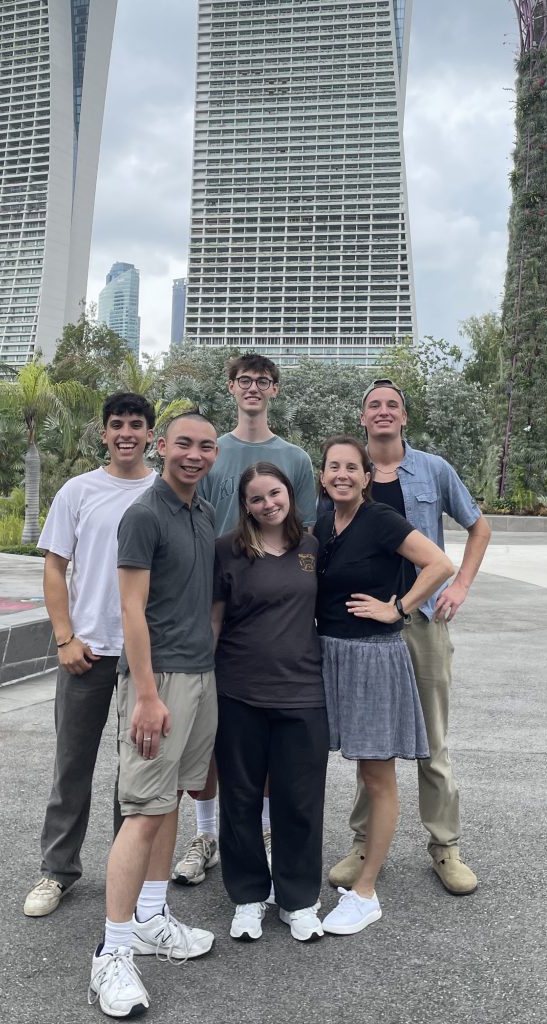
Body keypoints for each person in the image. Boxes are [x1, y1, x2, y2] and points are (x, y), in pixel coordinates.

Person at [329, 379, 492, 896]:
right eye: (373, 405)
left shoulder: (433, 470)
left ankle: (445, 845)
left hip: (418, 622)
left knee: (432, 737)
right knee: (369, 739)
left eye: (391, 405)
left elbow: (478, 527)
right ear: (362, 417)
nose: (382, 412)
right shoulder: (349, 473)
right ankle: (363, 843)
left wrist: (459, 584)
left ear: (404, 417)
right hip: (362, 629)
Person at [88, 413, 219, 1020]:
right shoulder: (143, 514)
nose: (194, 455)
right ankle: (110, 955)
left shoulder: (203, 513)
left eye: (205, 447)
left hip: (199, 676)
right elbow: (131, 609)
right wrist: (145, 693)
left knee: (168, 801)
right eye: (183, 444)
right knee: (141, 812)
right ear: (161, 446)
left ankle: (152, 916)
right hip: (158, 680)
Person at [173, 353, 316, 886]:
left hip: (276, 614)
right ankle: (206, 833)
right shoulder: (213, 453)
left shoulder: (295, 460)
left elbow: (305, 534)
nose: (253, 388)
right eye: (244, 380)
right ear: (231, 388)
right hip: (212, 603)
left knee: (270, 731)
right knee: (211, 733)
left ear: (274, 390)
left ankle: (264, 832)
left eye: (263, 381)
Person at [24, 392, 157, 918]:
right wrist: (64, 637)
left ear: (152, 434)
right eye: (117, 425)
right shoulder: (78, 491)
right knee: (71, 767)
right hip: (88, 654)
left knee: (138, 774)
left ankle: (131, 875)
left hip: (144, 659)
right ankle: (57, 871)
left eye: (136, 425)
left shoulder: (165, 491)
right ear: (104, 433)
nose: (126, 433)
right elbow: (55, 569)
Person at [314, 436, 454, 935]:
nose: (343, 475)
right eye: (334, 467)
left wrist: (398, 608)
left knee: (378, 775)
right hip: (327, 656)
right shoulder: (322, 523)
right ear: (323, 476)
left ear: (367, 476)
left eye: (353, 467)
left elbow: (440, 564)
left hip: (374, 657)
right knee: (310, 763)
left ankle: (367, 891)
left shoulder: (380, 519)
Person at [212, 462, 328, 943]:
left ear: (289, 494)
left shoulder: (312, 547)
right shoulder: (227, 551)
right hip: (239, 692)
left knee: (299, 801)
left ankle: (298, 899)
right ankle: (248, 897)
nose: (268, 504)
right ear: (245, 505)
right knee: (239, 799)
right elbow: (213, 622)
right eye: (257, 498)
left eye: (275, 494)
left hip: (303, 693)